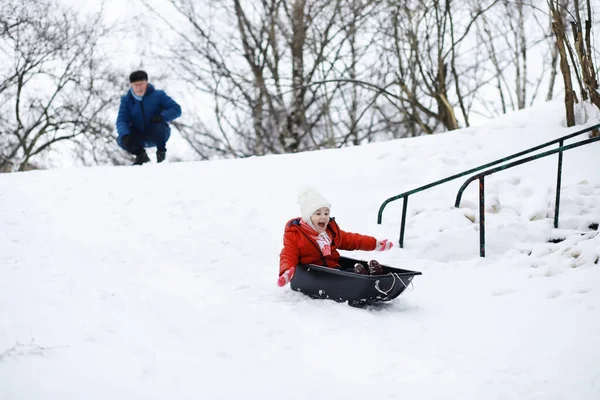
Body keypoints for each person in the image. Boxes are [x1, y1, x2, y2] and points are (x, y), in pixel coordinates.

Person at [277, 187, 394, 287]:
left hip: (335, 270)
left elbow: (352, 240)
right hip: (314, 275)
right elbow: (288, 254)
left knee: (348, 271)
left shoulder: (330, 232)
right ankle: (362, 277)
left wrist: (375, 244)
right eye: (318, 213)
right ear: (308, 217)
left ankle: (371, 274)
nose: (323, 217)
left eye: (326, 213)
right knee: (349, 278)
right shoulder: (296, 235)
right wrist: (287, 273)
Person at [116, 70, 182, 165]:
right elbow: (122, 120)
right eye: (136, 85)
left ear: (146, 83)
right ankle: (141, 156)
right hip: (138, 137)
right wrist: (125, 134)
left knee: (158, 122)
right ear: (131, 85)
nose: (139, 88)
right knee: (122, 138)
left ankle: (161, 155)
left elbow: (176, 109)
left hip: (158, 134)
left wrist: (162, 117)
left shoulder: (158, 95)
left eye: (141, 84)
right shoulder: (126, 101)